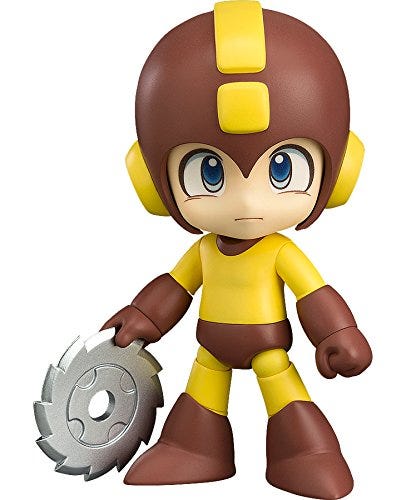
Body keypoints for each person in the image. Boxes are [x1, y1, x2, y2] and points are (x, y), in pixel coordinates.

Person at [101, 2, 372, 498]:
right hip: (212, 348)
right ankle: (194, 449)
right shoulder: (204, 250)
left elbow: (314, 295)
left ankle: (305, 454)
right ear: (152, 183)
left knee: (285, 395)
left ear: (339, 174)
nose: (247, 202)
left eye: (281, 169)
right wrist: (144, 317)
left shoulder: (279, 251)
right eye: (209, 172)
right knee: (202, 393)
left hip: (269, 349)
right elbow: (175, 287)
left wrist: (338, 333)